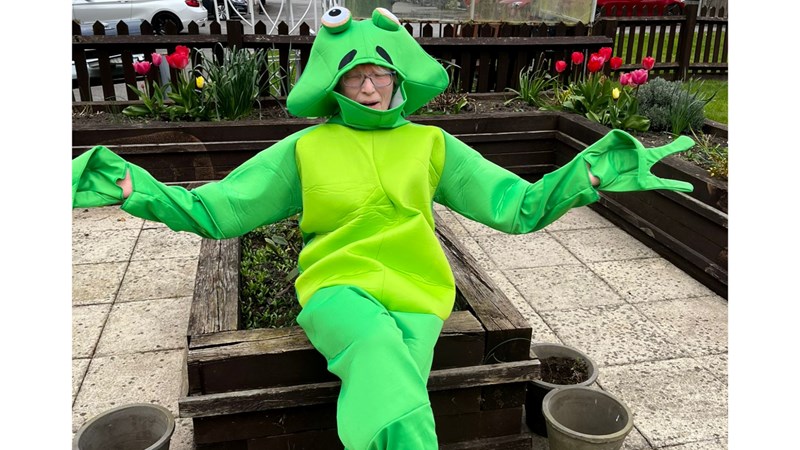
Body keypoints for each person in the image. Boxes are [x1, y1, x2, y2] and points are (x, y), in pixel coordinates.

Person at [73, 6, 694, 450]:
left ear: (400, 77)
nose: (369, 87)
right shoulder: (306, 149)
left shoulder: (432, 144)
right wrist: (139, 190)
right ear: (334, 82)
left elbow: (517, 205)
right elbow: (221, 208)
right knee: (378, 356)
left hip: (419, 293)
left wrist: (588, 173)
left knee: (396, 401)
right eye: (354, 75)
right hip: (337, 286)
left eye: (380, 73)